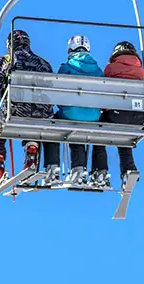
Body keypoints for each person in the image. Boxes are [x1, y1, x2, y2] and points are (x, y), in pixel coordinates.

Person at [0, 29, 54, 195]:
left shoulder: (9, 59)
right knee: (33, 124)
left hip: (15, 110)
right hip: (39, 113)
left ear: (10, 45)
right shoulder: (43, 63)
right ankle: (31, 157)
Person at [91, 41, 144, 189]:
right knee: (124, 138)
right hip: (137, 118)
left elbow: (105, 92)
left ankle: (100, 170)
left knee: (97, 133)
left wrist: (103, 109)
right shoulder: (142, 72)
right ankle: (129, 169)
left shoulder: (111, 69)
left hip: (115, 114)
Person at [53, 35, 105, 187]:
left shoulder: (66, 67)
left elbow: (56, 92)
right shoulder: (98, 70)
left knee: (69, 125)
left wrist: (63, 107)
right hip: (94, 116)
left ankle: (77, 169)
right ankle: (99, 171)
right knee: (96, 131)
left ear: (70, 50)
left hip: (71, 114)